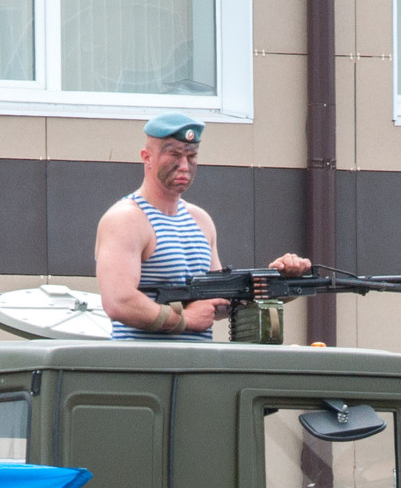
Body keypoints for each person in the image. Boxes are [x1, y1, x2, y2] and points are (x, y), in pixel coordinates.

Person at [94, 114, 311, 341]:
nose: (184, 166)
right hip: (141, 362)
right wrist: (185, 320)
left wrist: (280, 282)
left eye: (191, 156)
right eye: (174, 155)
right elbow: (119, 301)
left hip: (198, 360)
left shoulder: (200, 220)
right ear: (147, 157)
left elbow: (221, 303)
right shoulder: (127, 219)